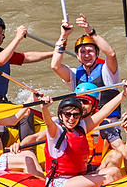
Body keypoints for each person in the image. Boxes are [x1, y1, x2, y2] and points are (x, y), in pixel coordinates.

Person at [39, 82, 127, 187]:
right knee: (108, 178)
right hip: (60, 184)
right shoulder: (55, 131)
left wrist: (124, 93)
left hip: (78, 177)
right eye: (67, 114)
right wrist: (44, 109)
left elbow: (104, 111)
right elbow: (48, 122)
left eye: (76, 115)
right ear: (61, 115)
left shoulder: (81, 127)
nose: (72, 118)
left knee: (113, 171)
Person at [51, 15, 122, 148]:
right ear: (77, 56)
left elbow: (111, 54)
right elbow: (55, 66)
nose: (86, 55)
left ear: (97, 53)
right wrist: (64, 36)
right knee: (54, 121)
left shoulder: (107, 73)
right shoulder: (74, 74)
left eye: (90, 51)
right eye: (82, 52)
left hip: (107, 128)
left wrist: (90, 31)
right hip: (82, 127)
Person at [0, 15, 54, 105]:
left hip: (0, 101)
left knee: (28, 114)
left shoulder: (1, 52)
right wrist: (17, 38)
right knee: (26, 115)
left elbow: (26, 57)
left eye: (0, 33)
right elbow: (0, 61)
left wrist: (54, 53)